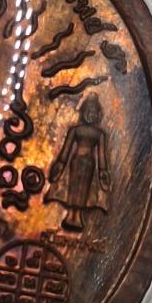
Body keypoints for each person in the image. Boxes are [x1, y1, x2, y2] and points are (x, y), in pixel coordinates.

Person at [45, 94, 110, 231]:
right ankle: (70, 215)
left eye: (94, 112)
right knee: (73, 188)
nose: (91, 114)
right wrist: (60, 165)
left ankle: (78, 216)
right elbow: (65, 150)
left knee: (83, 190)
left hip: (89, 164)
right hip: (75, 162)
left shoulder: (99, 134)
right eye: (89, 111)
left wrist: (103, 172)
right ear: (83, 112)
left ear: (98, 114)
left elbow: (102, 156)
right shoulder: (75, 130)